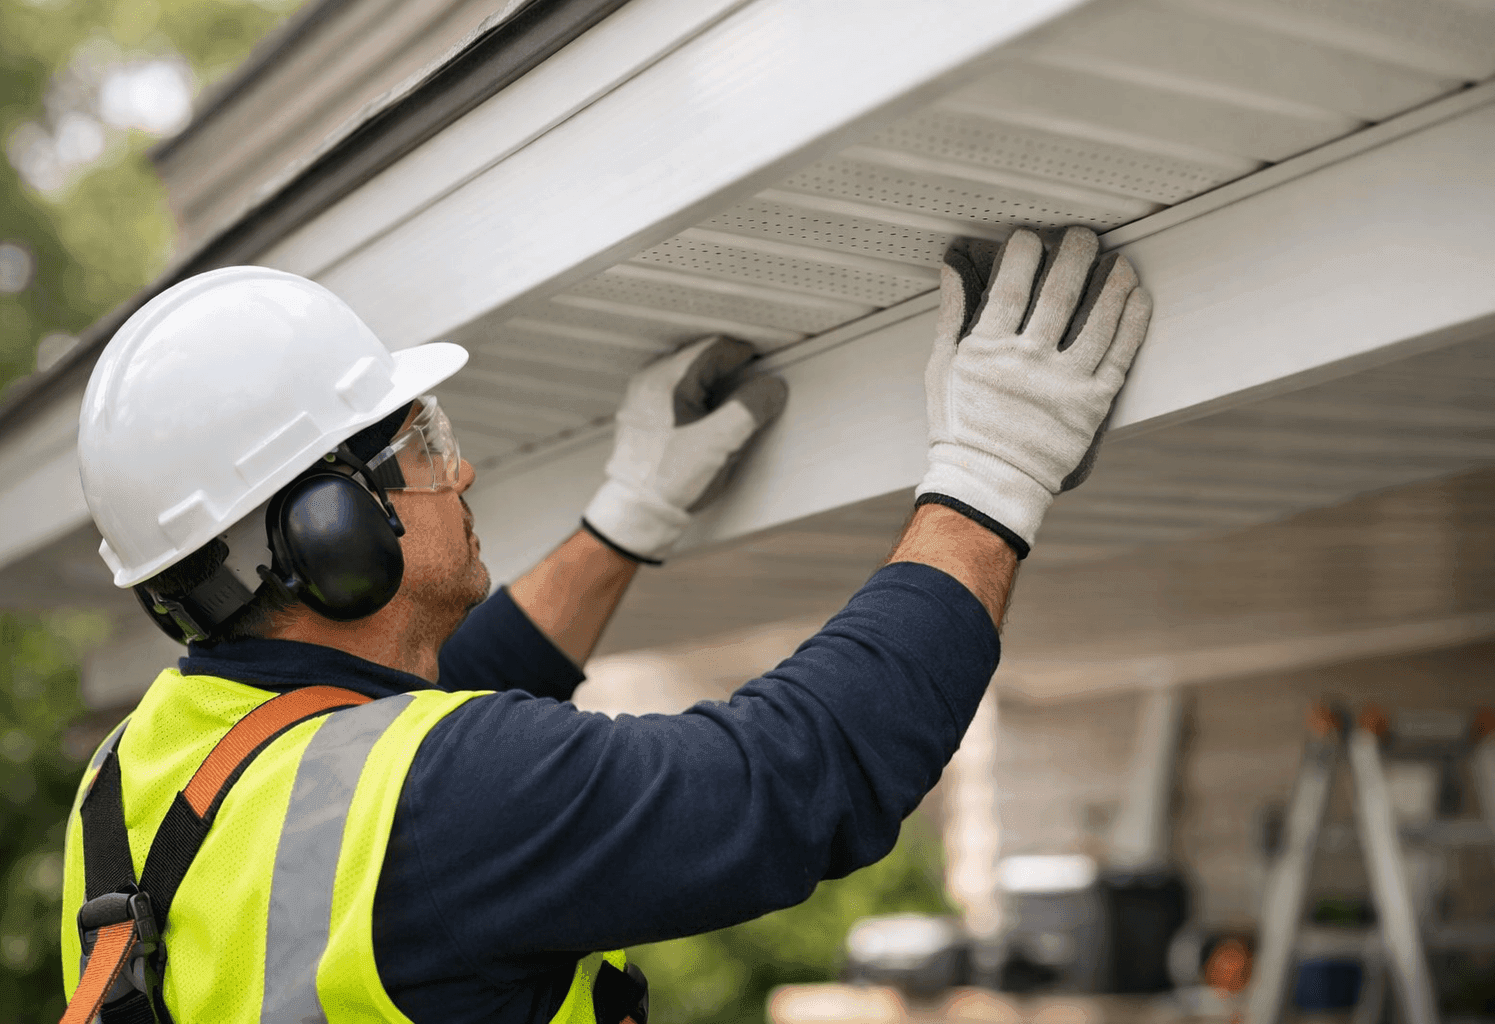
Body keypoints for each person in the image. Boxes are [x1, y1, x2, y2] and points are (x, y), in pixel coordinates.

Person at [60, 225, 1150, 1024]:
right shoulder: (444, 804)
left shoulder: (133, 783)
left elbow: (382, 745)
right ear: (335, 529)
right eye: (423, 443)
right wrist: (989, 476)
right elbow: (788, 781)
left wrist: (626, 520)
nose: (461, 467)